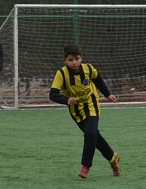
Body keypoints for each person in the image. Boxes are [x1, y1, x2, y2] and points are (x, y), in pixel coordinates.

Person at [50, 44, 121, 180]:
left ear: (81, 58)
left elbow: (98, 80)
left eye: (77, 59)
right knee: (94, 137)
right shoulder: (61, 74)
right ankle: (113, 158)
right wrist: (66, 100)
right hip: (76, 111)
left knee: (90, 133)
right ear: (65, 60)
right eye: (70, 60)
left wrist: (108, 94)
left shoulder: (88, 69)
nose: (74, 62)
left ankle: (85, 166)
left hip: (91, 105)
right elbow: (53, 95)